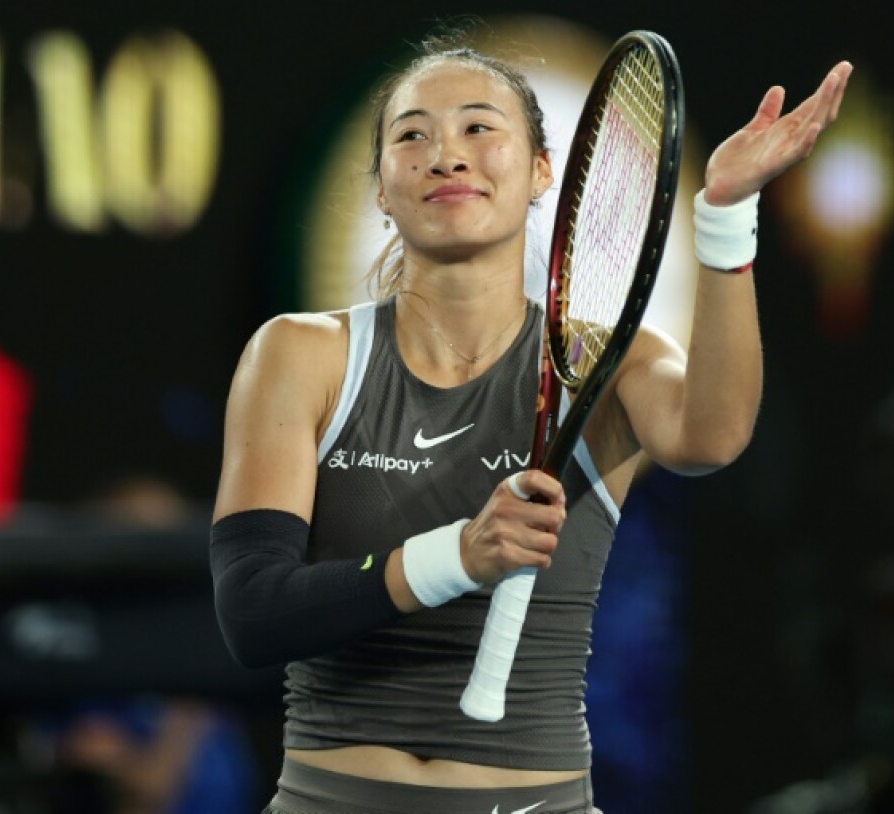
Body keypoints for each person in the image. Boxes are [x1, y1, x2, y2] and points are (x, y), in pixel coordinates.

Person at [210, 30, 851, 814]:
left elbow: (710, 437)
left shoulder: (612, 359)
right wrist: (461, 555)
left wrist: (723, 215)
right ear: (381, 186)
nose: (447, 154)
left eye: (480, 127)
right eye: (412, 135)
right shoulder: (299, 355)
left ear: (543, 172)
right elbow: (254, 614)